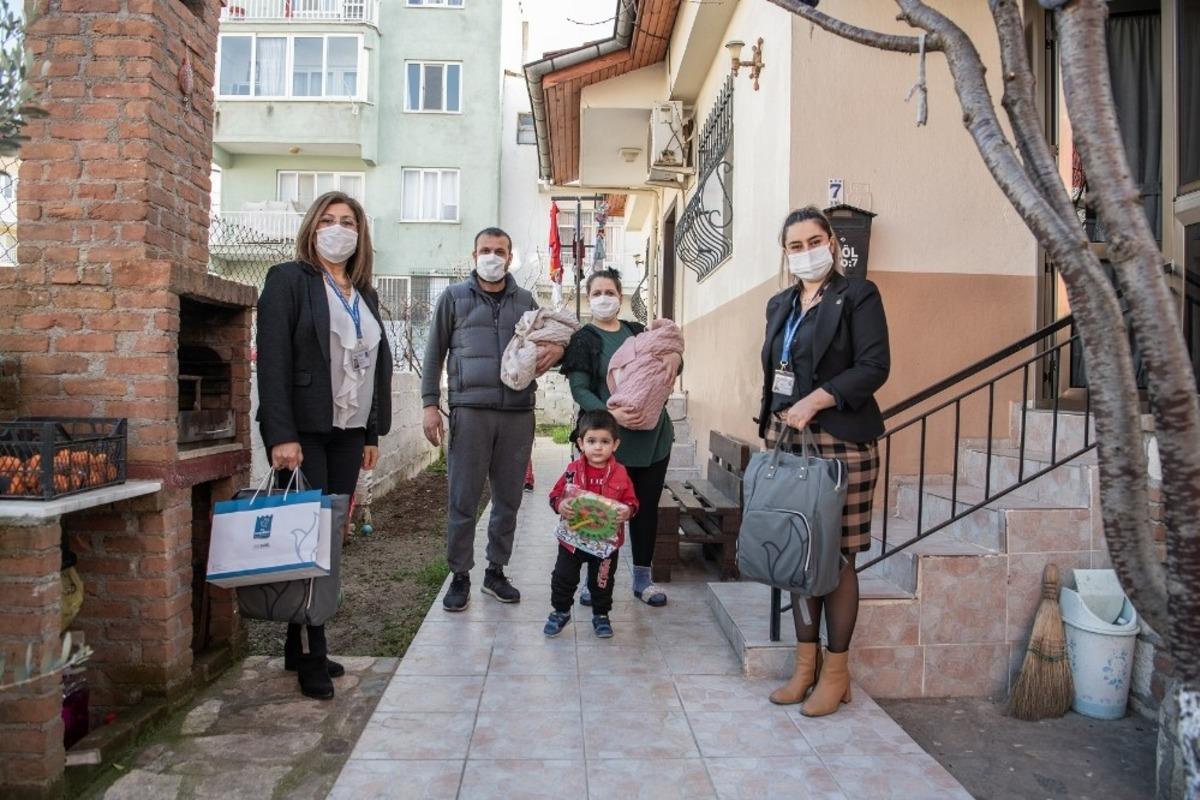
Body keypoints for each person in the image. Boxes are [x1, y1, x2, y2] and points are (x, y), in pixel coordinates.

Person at [256, 191, 392, 701]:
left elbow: (375, 367)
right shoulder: (289, 280)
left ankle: (297, 644)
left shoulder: (364, 294)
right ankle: (313, 653)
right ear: (312, 229)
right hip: (304, 432)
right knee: (307, 541)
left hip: (348, 433)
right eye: (328, 220)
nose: (339, 229)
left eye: (348, 222)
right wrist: (281, 435)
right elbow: (272, 362)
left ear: (361, 233)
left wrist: (371, 432)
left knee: (330, 540)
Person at [757, 205, 890, 717]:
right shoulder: (780, 304)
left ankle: (836, 673)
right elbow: (775, 371)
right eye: (795, 246)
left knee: (837, 556)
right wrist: (771, 425)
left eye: (814, 241)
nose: (806, 252)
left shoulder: (858, 295)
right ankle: (804, 667)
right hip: (789, 441)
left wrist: (818, 399)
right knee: (797, 552)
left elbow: (874, 366)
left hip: (841, 443)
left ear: (831, 242)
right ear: (785, 253)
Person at [421, 228, 564, 611]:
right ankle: (460, 575)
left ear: (509, 257)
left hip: (517, 413)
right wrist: (430, 404)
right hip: (469, 412)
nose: (492, 256)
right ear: (474, 256)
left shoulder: (526, 301)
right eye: (485, 250)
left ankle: (495, 572)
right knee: (463, 498)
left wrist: (557, 348)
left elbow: (553, 336)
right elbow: (434, 353)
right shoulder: (454, 298)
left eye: (500, 251)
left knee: (508, 499)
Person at [561, 269, 674, 607]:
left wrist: (676, 356)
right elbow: (580, 389)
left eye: (609, 292)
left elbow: (668, 351)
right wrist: (611, 417)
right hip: (607, 444)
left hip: (653, 438)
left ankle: (642, 580)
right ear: (588, 298)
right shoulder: (584, 339)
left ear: (619, 295)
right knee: (598, 512)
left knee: (645, 510)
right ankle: (592, 581)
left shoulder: (637, 332)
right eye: (596, 293)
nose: (603, 298)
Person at [545, 410, 639, 639]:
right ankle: (560, 611)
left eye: (605, 441)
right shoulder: (571, 471)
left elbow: (632, 502)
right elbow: (555, 495)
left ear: (615, 444)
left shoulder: (620, 473)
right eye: (591, 441)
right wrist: (560, 504)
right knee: (563, 577)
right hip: (572, 542)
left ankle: (601, 615)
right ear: (581, 443)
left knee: (602, 581)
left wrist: (627, 511)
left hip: (605, 545)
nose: (598, 447)